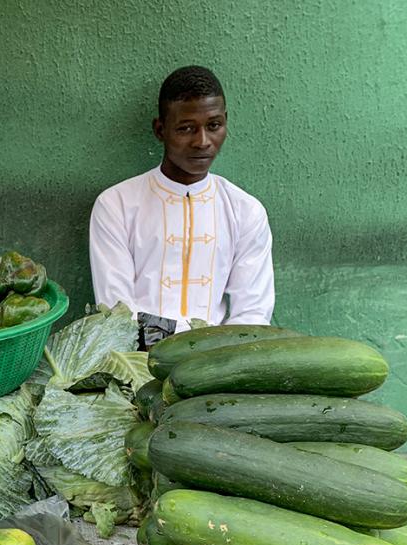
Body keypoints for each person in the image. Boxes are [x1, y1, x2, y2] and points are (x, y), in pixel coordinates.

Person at [89, 65, 274, 343]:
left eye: (214, 126)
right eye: (186, 128)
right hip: (135, 362)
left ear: (226, 122)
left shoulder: (245, 211)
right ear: (160, 130)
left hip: (218, 363)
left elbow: (253, 315)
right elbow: (117, 315)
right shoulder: (116, 205)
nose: (202, 142)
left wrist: (212, 359)